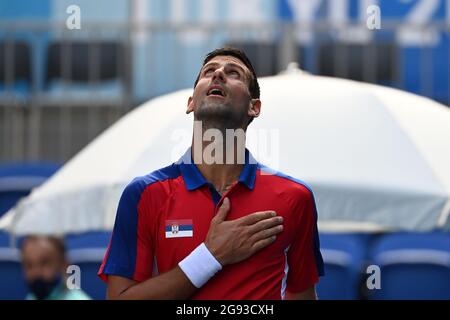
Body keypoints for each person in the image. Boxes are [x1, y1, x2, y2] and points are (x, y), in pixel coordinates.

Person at [98, 47, 324, 300]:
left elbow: (301, 295)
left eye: (234, 73)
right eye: (209, 71)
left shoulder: (295, 197)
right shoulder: (143, 194)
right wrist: (211, 256)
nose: (218, 73)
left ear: (254, 107)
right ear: (191, 102)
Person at [21, 235, 91, 300]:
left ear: (64, 265)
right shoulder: (31, 297)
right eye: (29, 265)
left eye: (45, 263)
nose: (36, 272)